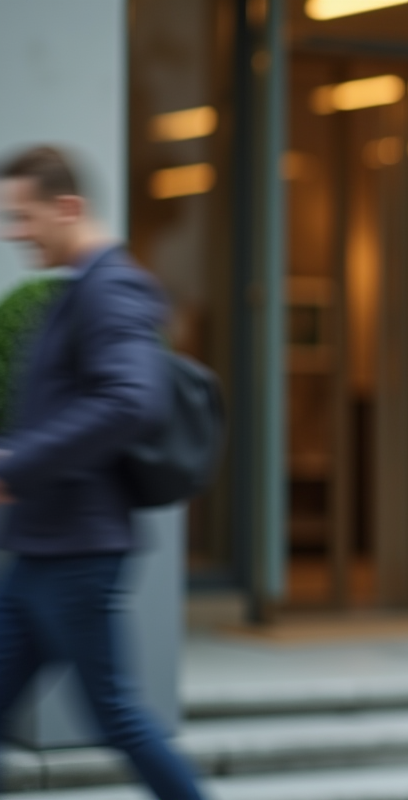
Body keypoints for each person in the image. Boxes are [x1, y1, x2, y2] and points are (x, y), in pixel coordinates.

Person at [0, 146, 205, 800]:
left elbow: (130, 401)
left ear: (68, 208)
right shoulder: (78, 290)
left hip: (77, 553)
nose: (16, 233)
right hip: (43, 549)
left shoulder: (112, 287)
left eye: (24, 216)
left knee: (116, 715)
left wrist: (17, 466)